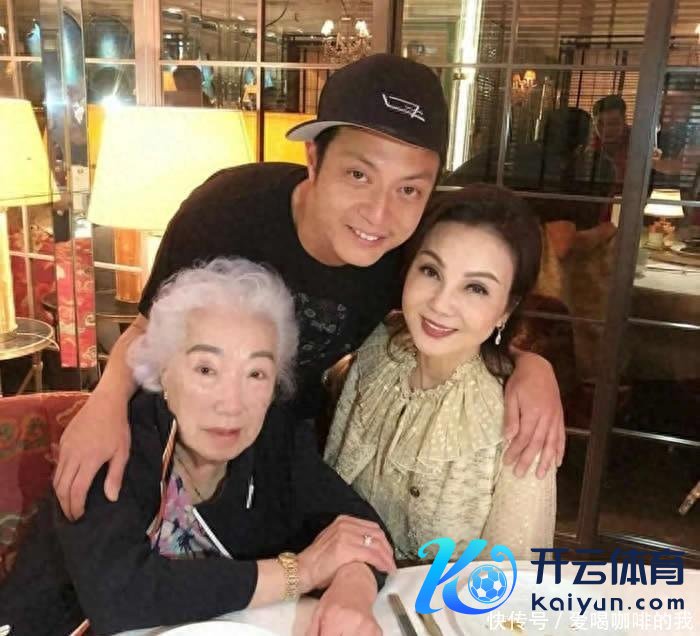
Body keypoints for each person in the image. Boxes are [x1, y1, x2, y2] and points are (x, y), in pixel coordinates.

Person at [55, 53, 565, 522]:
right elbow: (147, 329)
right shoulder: (227, 210)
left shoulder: (406, 257)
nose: (379, 214)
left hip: (280, 455)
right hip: (178, 438)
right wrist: (105, 405)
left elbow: (450, 319)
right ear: (315, 159)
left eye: (409, 188)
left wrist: (530, 366)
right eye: (359, 174)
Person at [0, 259, 393, 636]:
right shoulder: (114, 444)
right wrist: (301, 572)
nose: (232, 404)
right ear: (163, 371)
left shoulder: (275, 438)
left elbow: (361, 528)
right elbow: (117, 594)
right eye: (206, 369)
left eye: (256, 373)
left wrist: (351, 590)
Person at [324, 186, 556, 560]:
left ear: (506, 310)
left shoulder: (521, 417)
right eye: (431, 271)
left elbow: (513, 576)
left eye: (476, 288)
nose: (440, 304)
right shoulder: (376, 350)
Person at [590, 95, 630, 191]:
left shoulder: (638, 142)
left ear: (624, 121)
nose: (606, 129)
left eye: (613, 123)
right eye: (600, 123)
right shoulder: (587, 143)